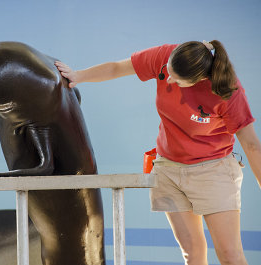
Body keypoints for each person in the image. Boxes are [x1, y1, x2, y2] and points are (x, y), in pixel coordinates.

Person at [55, 40, 261, 265]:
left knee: (230, 255)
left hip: (213, 171)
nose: (168, 79)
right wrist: (78, 76)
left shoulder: (228, 91)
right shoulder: (164, 56)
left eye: (176, 79)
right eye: (167, 72)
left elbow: (252, 145)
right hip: (169, 169)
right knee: (192, 252)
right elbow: (117, 67)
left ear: (199, 79)